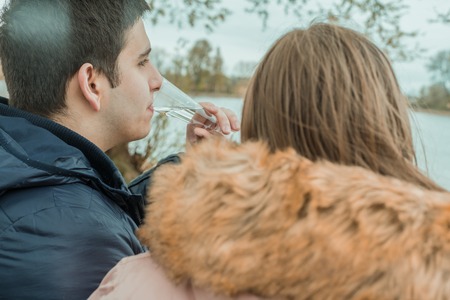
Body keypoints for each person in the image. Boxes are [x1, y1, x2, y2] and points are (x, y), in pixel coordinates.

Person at [90, 23, 449, 299]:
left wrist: (203, 187)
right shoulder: (435, 272)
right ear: (392, 127)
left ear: (261, 129)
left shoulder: (136, 282)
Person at [0, 0, 239, 299]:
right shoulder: (76, 238)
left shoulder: (26, 166)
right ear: (92, 83)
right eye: (142, 62)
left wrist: (194, 169)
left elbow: (110, 209)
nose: (157, 81)